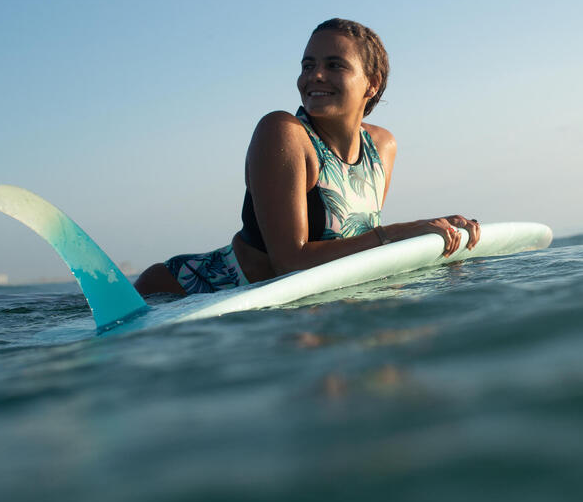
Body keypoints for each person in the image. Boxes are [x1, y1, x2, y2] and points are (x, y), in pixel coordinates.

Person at [134, 18, 481, 296]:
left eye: (334, 65)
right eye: (308, 64)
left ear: (371, 84)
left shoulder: (381, 147)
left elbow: (350, 240)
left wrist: (435, 231)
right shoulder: (283, 132)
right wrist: (399, 233)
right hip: (183, 295)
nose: (315, 75)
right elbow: (290, 264)